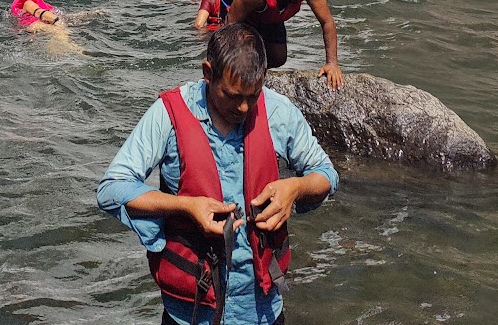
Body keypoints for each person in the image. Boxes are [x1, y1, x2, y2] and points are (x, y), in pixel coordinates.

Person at [97, 24, 337, 325]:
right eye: (233, 95)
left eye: (253, 95)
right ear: (208, 73)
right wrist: (186, 206)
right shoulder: (168, 114)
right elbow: (112, 189)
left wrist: (296, 188)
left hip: (261, 309)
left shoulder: (278, 112)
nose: (244, 107)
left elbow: (326, 174)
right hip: (191, 312)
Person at [218, 0, 343, 86]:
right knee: (242, 57)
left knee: (278, 57)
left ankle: (258, 75)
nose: (296, 1)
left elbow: (327, 22)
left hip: (268, 5)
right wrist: (222, 70)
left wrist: (332, 63)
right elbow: (230, 27)